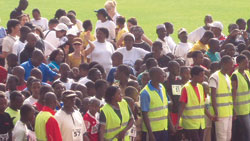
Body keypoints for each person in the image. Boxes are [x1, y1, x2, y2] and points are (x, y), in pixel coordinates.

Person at [176, 66, 211, 141]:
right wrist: (177, 121)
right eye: (201, 75)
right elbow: (181, 106)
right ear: (194, 76)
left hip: (200, 124)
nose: (203, 78)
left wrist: (210, 116)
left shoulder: (200, 87)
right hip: (190, 124)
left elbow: (202, 105)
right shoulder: (186, 88)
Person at [140, 67, 174, 141]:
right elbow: (144, 114)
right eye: (162, 75)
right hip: (152, 130)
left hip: (163, 128)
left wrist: (170, 124)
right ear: (155, 76)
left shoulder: (162, 87)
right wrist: (150, 133)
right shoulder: (145, 93)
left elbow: (165, 108)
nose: (164, 76)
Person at [209, 55, 234, 141]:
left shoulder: (227, 77)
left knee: (228, 136)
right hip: (220, 113)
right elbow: (213, 96)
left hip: (228, 112)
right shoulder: (215, 77)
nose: (232, 66)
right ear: (223, 64)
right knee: (221, 137)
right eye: (230, 64)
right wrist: (216, 112)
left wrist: (232, 110)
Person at [231, 55, 250, 140]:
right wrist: (234, 109)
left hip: (248, 107)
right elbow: (233, 94)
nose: (247, 64)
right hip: (241, 109)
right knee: (247, 131)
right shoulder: (235, 75)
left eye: (247, 62)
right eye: (244, 63)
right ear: (238, 63)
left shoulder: (247, 73)